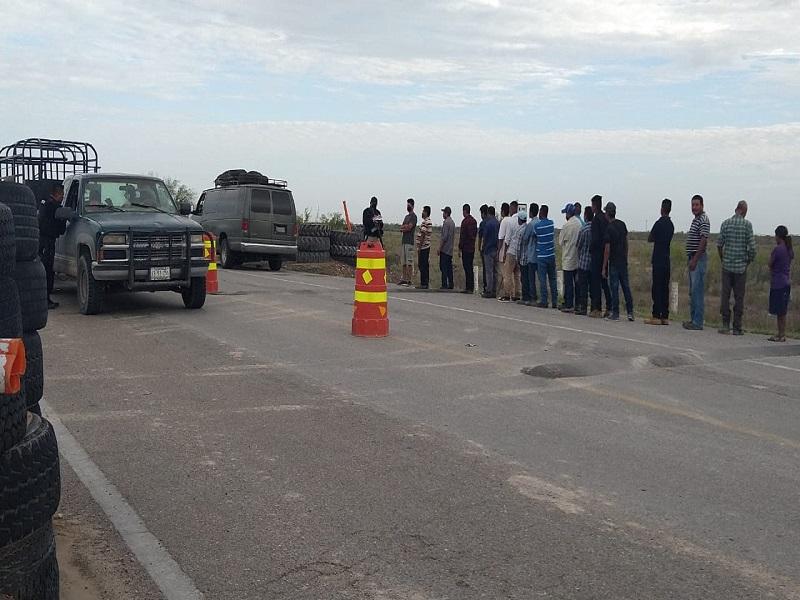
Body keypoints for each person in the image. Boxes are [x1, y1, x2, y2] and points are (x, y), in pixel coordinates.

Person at [717, 201, 756, 335]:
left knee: (725, 295)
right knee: (739, 297)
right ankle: (737, 327)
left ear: (736, 209)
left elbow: (719, 244)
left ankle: (725, 324)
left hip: (727, 265)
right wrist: (748, 261)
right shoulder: (747, 225)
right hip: (740, 267)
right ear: (744, 210)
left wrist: (723, 258)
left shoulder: (725, 223)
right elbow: (752, 248)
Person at [682, 195, 711, 331]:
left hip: (698, 258)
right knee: (692, 291)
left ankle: (698, 321)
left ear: (702, 205)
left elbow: (703, 240)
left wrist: (695, 259)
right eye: (692, 205)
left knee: (697, 290)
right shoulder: (696, 220)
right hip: (692, 257)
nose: (694, 207)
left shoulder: (704, 220)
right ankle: (693, 319)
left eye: (697, 205)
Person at [602, 202, 634, 321]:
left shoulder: (609, 228)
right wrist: (625, 256)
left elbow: (607, 249)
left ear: (607, 213)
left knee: (614, 287)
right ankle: (630, 312)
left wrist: (604, 266)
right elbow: (626, 242)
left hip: (614, 262)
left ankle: (615, 313)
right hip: (622, 260)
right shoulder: (622, 224)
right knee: (626, 286)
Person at [645, 199, 675, 325]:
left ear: (662, 209)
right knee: (664, 288)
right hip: (666, 259)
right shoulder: (671, 225)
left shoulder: (658, 223)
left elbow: (650, 238)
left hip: (658, 259)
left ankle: (656, 315)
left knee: (656, 287)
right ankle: (665, 315)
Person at [38, 183, 66, 309]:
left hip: (44, 241)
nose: (63, 197)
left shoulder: (46, 204)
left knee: (47, 270)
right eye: (62, 195)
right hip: (47, 242)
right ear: (57, 194)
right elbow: (58, 228)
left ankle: (46, 298)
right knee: (47, 270)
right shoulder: (53, 207)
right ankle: (45, 299)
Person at [768, 226, 793, 342]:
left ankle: (780, 334)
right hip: (786, 282)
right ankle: (782, 333)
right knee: (783, 311)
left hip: (778, 282)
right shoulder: (789, 249)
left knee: (779, 311)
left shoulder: (778, 249)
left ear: (778, 236)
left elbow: (770, 263)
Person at [589, 194, 612, 318]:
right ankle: (610, 306)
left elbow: (595, 239)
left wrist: (591, 249)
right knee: (604, 281)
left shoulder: (596, 219)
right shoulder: (605, 218)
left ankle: (596, 308)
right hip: (604, 254)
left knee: (595, 282)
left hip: (597, 254)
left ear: (594, 205)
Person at [534, 205, 558, 308]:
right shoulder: (551, 224)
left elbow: (534, 236)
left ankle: (544, 300)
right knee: (553, 279)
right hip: (551, 255)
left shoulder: (537, 226)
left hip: (541, 256)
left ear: (541, 212)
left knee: (543, 279)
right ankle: (555, 301)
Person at [559, 203, 581, 312]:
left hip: (568, 258)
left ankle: (568, 304)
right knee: (577, 283)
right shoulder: (579, 224)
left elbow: (560, 242)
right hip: (577, 258)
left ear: (568, 213)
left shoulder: (566, 226)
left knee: (568, 284)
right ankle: (577, 304)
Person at [499, 205, 524, 302]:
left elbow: (506, 239)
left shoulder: (509, 221)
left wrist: (503, 253)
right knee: (517, 274)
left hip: (511, 251)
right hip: (519, 252)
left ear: (512, 209)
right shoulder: (523, 223)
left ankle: (507, 294)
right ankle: (517, 294)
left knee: (507, 274)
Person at [519, 203, 540, 306]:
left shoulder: (531, 225)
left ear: (531, 212)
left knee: (528, 278)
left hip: (529, 254)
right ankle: (534, 297)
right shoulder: (539, 222)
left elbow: (525, 239)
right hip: (538, 254)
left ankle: (530, 298)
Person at [575, 206, 594, 315]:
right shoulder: (595, 229)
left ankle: (583, 307)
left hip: (583, 261)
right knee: (592, 286)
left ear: (585, 216)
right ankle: (593, 307)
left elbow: (578, 245)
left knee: (583, 286)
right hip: (593, 262)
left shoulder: (584, 229)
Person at [458, 204, 478, 294]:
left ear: (464, 211)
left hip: (466, 248)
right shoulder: (474, 221)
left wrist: (460, 247)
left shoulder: (465, 222)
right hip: (472, 248)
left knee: (467, 267)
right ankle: (471, 286)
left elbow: (462, 236)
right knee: (470, 267)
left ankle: (468, 287)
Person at [481, 206, 500, 298]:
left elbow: (485, 237)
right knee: (495, 271)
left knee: (489, 271)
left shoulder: (488, 224)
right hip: (496, 249)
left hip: (488, 250)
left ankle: (489, 290)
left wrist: (483, 248)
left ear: (489, 213)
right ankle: (494, 290)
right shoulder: (498, 223)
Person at [398, 198, 417, 286]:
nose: (407, 206)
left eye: (408, 205)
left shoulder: (414, 216)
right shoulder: (406, 217)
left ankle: (409, 280)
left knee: (409, 262)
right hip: (404, 241)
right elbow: (401, 227)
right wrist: (405, 227)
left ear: (412, 205)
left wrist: (405, 228)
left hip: (409, 242)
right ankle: (404, 279)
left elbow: (409, 227)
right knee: (404, 262)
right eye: (407, 205)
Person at [416, 206, 433, 289]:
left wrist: (419, 246)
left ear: (426, 212)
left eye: (423, 211)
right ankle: (424, 282)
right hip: (426, 246)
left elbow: (423, 234)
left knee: (423, 264)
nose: (422, 213)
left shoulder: (426, 222)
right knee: (424, 264)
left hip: (424, 247)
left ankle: (424, 283)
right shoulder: (427, 221)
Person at [439, 207, 456, 290]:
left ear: (446, 213)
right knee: (449, 267)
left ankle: (444, 284)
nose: (443, 214)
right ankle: (451, 283)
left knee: (443, 267)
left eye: (443, 212)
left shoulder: (446, 223)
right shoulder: (452, 223)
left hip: (445, 249)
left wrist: (440, 248)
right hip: (450, 249)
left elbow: (444, 237)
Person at [496, 202, 510, 295]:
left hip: (503, 251)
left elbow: (501, 238)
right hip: (511, 251)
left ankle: (506, 293)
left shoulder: (504, 221)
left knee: (504, 274)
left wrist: (498, 251)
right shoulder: (512, 220)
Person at [477, 205, 489, 294]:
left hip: (485, 249)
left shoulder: (483, 223)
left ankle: (486, 288)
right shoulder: (494, 222)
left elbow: (480, 237)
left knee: (486, 269)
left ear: (483, 213)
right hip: (494, 248)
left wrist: (479, 248)